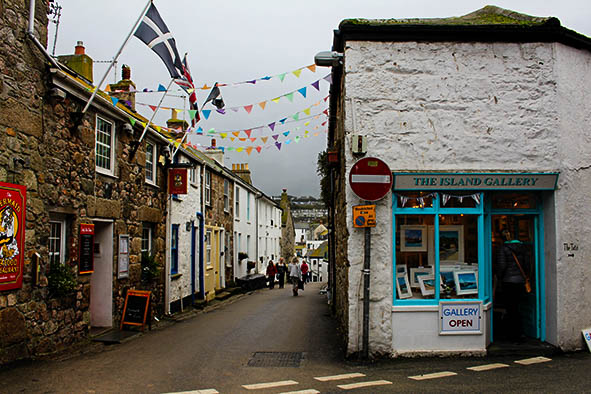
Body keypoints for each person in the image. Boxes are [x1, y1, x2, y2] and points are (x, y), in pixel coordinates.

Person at [495, 228, 530, 342]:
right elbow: (527, 265)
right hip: (520, 282)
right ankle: (520, 333)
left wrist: (499, 278)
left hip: (508, 282)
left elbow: (502, 266)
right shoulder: (522, 248)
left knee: (511, 308)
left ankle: (512, 334)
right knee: (518, 307)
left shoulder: (503, 249)